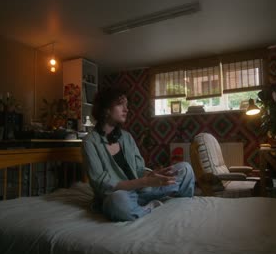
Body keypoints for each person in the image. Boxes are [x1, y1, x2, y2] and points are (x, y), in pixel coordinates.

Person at [82, 86, 195, 221]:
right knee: (117, 202)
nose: (126, 109)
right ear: (105, 109)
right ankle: (149, 207)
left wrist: (154, 175)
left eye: (127, 105)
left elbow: (140, 170)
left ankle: (176, 205)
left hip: (142, 190)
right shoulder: (90, 142)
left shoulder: (126, 137)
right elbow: (103, 186)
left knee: (185, 169)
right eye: (120, 104)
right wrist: (144, 181)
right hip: (121, 196)